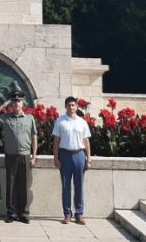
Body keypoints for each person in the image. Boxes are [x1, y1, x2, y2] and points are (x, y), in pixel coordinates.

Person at [0, 90, 37, 224]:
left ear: (23, 103)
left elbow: (34, 137)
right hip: (11, 156)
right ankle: (11, 213)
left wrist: (34, 156)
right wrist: (3, 105)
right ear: (11, 104)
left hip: (25, 155)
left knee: (23, 185)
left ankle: (24, 213)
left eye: (18, 101)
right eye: (14, 102)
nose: (16, 104)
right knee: (11, 185)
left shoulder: (29, 118)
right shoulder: (6, 118)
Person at [52, 96, 92, 225]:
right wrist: (56, 158)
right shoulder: (60, 121)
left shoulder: (82, 122)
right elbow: (56, 141)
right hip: (65, 156)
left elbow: (86, 142)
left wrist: (88, 159)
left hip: (79, 155)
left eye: (73, 105)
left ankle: (79, 214)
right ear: (65, 107)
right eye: (69, 105)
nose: (71, 107)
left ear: (76, 107)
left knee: (79, 186)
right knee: (65, 186)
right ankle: (67, 214)